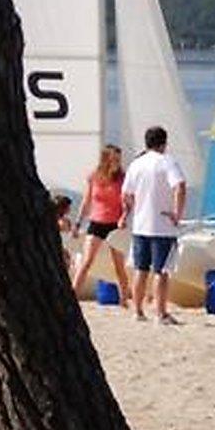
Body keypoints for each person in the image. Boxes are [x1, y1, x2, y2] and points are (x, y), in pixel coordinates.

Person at [120, 125, 186, 325]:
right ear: (164, 143)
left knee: (140, 269)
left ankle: (138, 311)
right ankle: (160, 313)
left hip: (141, 224)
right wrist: (177, 213)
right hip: (163, 225)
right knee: (161, 271)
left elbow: (125, 194)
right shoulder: (167, 162)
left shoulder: (136, 164)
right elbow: (180, 186)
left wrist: (129, 213)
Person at [71, 144, 133, 307]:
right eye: (115, 159)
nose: (118, 163)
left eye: (119, 160)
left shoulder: (123, 178)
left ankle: (124, 298)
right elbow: (87, 201)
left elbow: (128, 203)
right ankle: (72, 296)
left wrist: (124, 217)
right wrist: (78, 222)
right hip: (96, 222)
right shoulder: (94, 176)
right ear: (107, 160)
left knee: (119, 264)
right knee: (86, 261)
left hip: (115, 224)